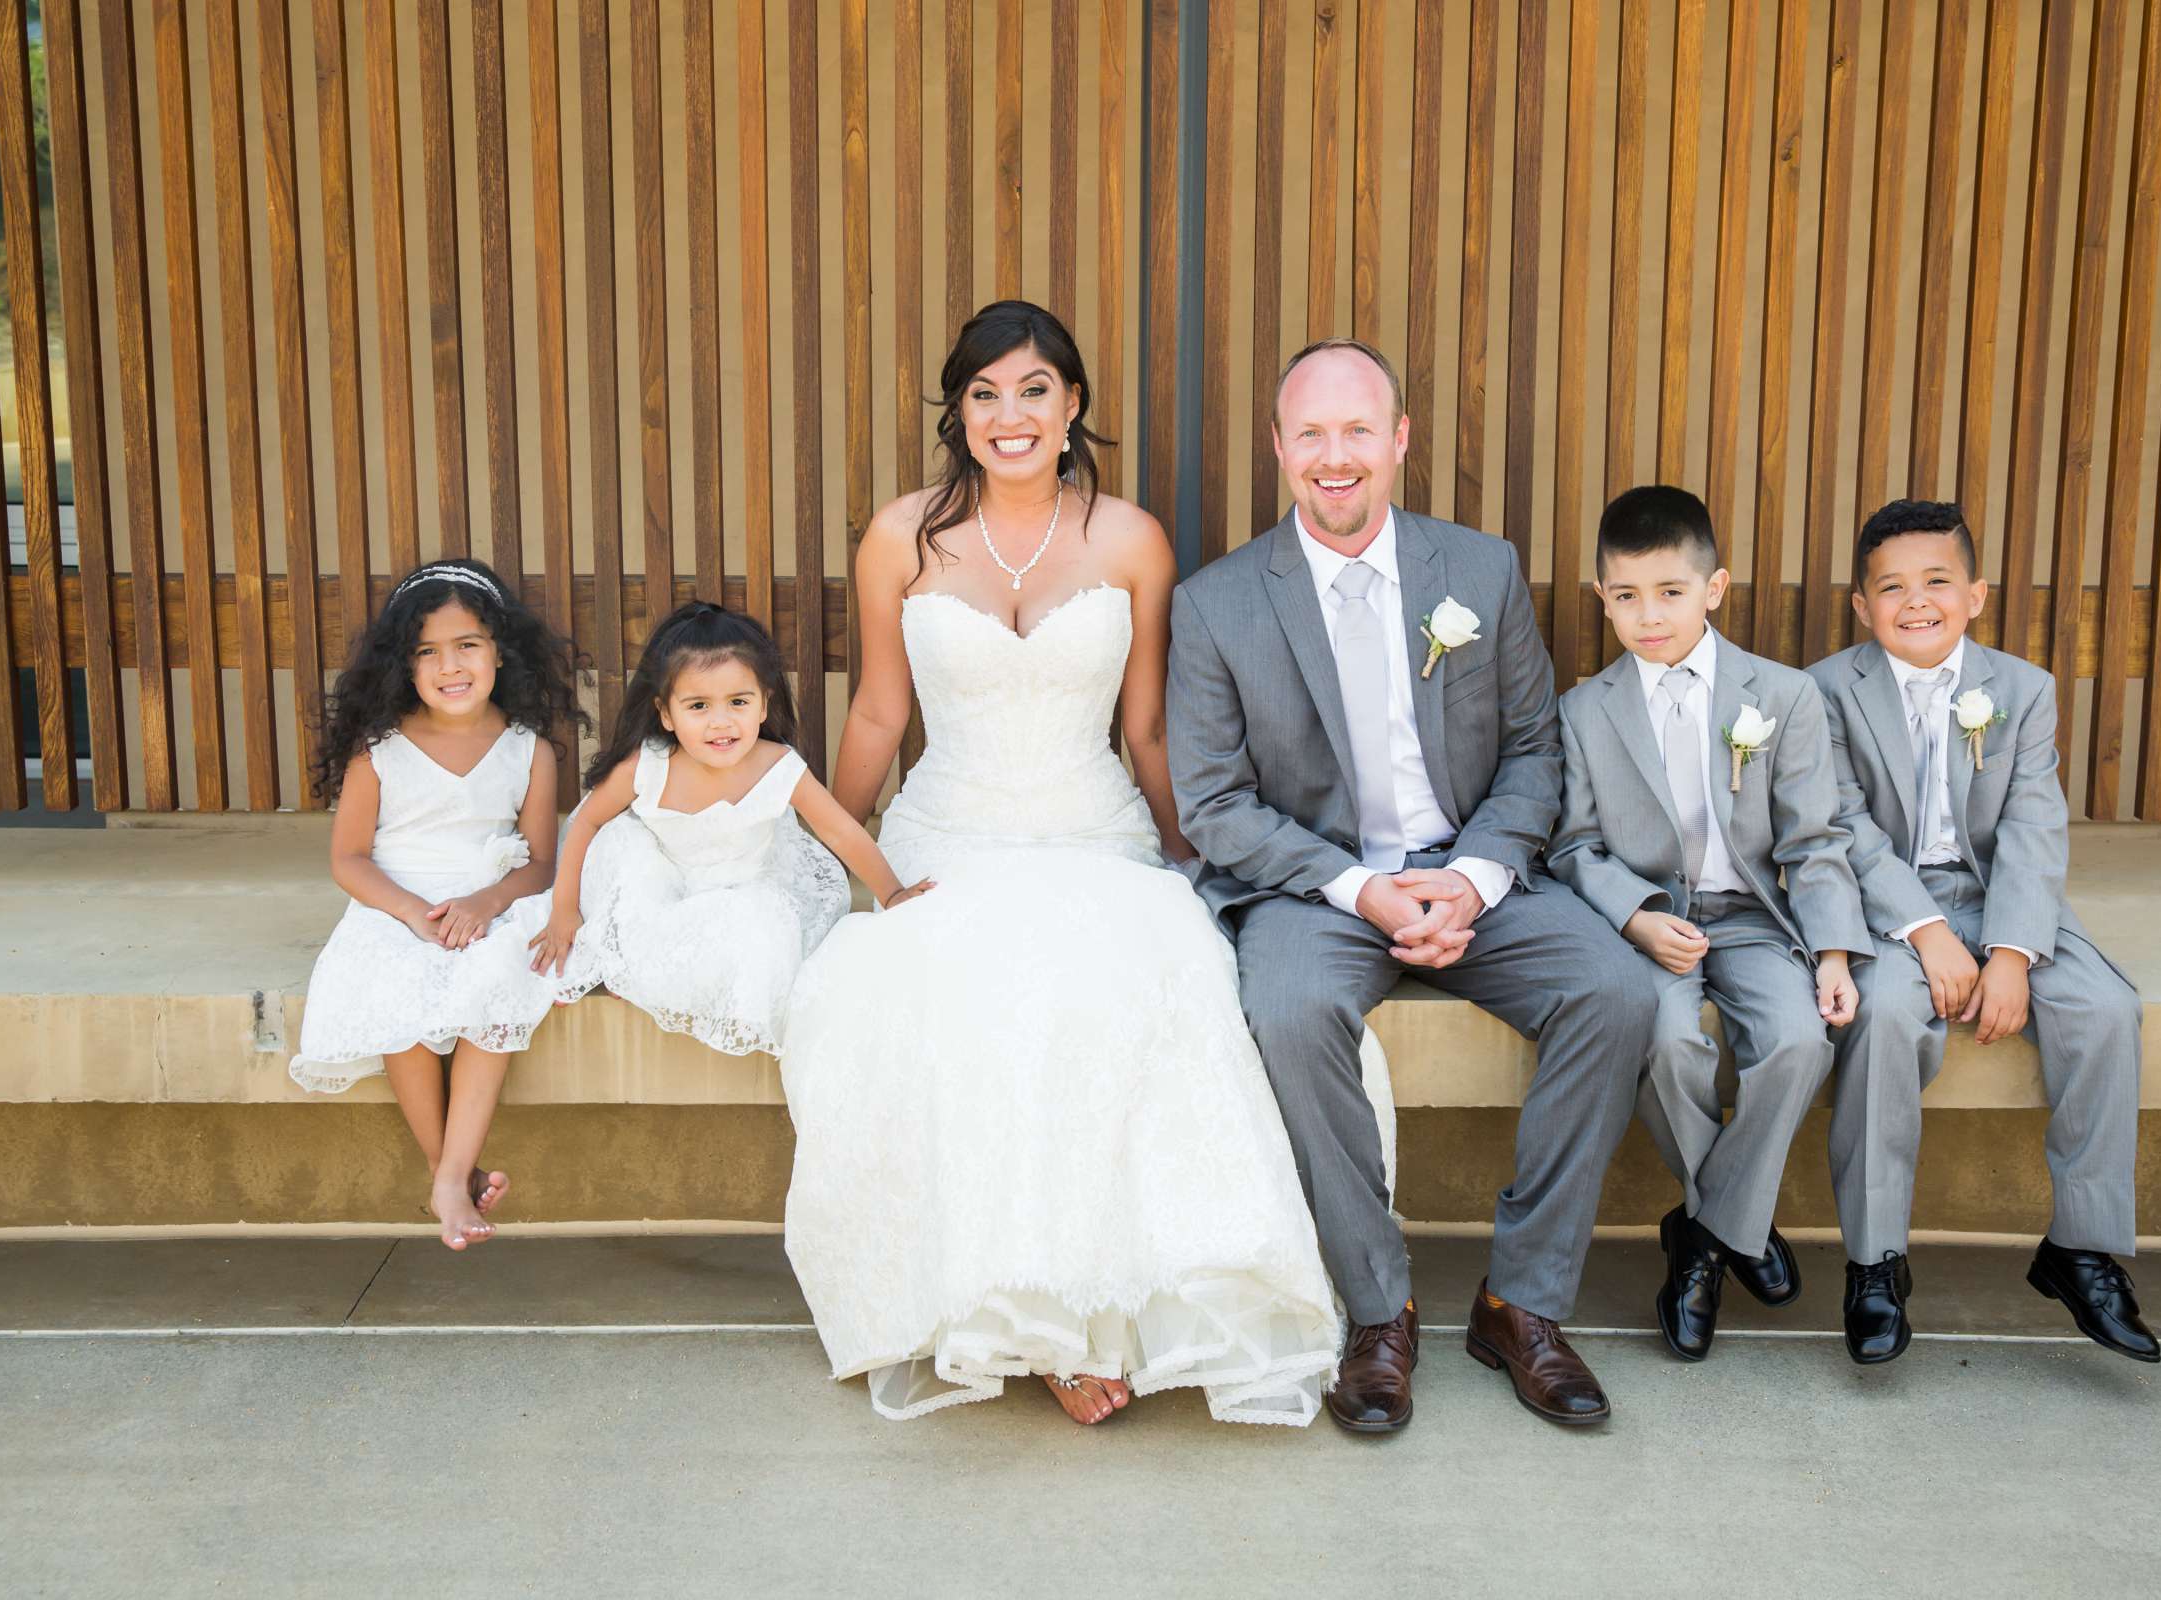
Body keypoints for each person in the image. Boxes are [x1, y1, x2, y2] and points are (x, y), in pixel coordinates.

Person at [776, 301, 1341, 1427]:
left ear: (1074, 403)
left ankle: (1105, 1310)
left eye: (1033, 389)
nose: (1010, 414)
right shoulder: (899, 538)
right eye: (984, 394)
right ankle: (1020, 1319)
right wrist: (835, 848)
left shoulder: (1130, 539)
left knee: (1138, 988)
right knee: (955, 1001)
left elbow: (1146, 730)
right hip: (949, 834)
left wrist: (1190, 857)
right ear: (959, 414)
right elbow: (883, 713)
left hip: (1096, 832)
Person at [1168, 338, 1658, 1432]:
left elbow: (1536, 751)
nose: (1333, 457)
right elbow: (1213, 805)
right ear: (1280, 448)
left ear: (1398, 441)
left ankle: (1519, 1303)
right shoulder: (1217, 604)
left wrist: (1475, 879)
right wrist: (1360, 890)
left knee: (1617, 993)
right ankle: (1376, 1308)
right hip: (1318, 890)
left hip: (1476, 873)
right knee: (1288, 1010)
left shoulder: (1477, 571)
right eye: (1310, 434)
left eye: (1357, 431)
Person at [1811, 498, 2158, 1365]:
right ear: (1861, 605)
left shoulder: (2022, 689)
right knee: (1885, 1019)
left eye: (1937, 582)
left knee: (2106, 1009)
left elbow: (2036, 826)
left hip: (2001, 894)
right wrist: (1927, 934)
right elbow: (1842, 827)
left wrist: (2009, 954)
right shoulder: (1822, 691)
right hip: (1888, 907)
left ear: (1976, 594)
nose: (1915, 601)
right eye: (1891, 588)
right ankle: (1876, 1261)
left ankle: (2078, 1248)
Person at [1546, 486, 1867, 1361]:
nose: (1647, 616)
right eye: (1624, 597)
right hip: (1650, 925)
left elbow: (1815, 839)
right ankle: (1738, 1229)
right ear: (1601, 598)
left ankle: (1704, 1231)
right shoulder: (1583, 710)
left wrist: (1833, 951)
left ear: (1716, 588)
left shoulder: (1786, 696)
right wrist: (1638, 918)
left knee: (1802, 1041)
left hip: (1757, 919)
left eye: (1670, 592)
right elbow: (1572, 847)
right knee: (1667, 1039)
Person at [288, 559, 580, 1250]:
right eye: (427, 652)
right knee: (400, 987)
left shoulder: (528, 751)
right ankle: (449, 1174)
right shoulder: (380, 747)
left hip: (491, 901)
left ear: (500, 652)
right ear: (403, 665)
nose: (450, 666)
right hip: (396, 903)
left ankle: (452, 1175)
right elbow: (348, 858)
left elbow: (540, 862)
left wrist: (484, 902)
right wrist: (416, 915)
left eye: (467, 645)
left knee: (494, 984)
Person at [528, 602, 929, 1055]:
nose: (721, 722)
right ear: (666, 714)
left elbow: (840, 832)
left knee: (762, 926)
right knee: (623, 845)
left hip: (744, 886)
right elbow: (587, 820)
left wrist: (893, 893)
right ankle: (621, 962)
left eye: (738, 702)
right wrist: (565, 907)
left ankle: (652, 973)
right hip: (665, 887)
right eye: (698, 706)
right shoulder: (650, 764)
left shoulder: (777, 767)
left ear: (763, 705)